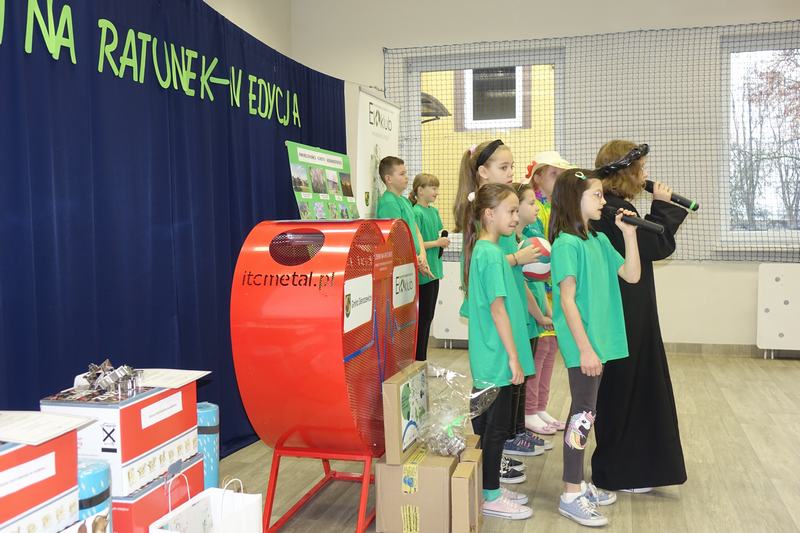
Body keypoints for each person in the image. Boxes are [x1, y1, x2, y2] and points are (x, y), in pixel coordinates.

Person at [590, 141, 689, 492]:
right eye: (641, 168)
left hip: (632, 307)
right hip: (623, 310)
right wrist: (661, 206)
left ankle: (633, 467)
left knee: (634, 384)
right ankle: (621, 470)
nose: (645, 174)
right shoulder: (613, 210)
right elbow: (656, 246)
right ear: (626, 172)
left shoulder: (612, 206)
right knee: (626, 386)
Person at [550, 168, 641, 527]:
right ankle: (570, 493)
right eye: (597, 195)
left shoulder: (598, 240)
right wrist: (585, 349)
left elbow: (632, 275)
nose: (604, 201)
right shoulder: (566, 244)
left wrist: (629, 235)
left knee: (586, 413)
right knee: (583, 416)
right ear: (575, 199)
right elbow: (567, 300)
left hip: (600, 342)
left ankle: (577, 484)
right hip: (583, 345)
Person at [453, 140, 546, 478]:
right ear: (482, 171)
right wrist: (517, 258)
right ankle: (491, 464)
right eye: (503, 167)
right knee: (492, 391)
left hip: (508, 309)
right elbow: (485, 270)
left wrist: (536, 313)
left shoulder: (500, 215)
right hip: (495, 317)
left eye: (511, 166)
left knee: (503, 391)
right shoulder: (483, 219)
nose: (510, 172)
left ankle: (498, 452)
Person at [463, 183, 534, 521]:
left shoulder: (484, 249)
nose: (516, 217)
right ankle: (490, 495)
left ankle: (487, 487)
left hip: (488, 355)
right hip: (496, 358)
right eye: (511, 211)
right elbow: (497, 309)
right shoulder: (491, 255)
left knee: (486, 427)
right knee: (494, 430)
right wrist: (513, 357)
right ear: (489, 214)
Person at [523, 152, 575, 434]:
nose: (558, 179)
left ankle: (540, 406)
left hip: (554, 289)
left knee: (552, 347)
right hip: (538, 291)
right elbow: (538, 252)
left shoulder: (558, 207)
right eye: (553, 173)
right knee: (540, 349)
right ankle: (529, 410)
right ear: (538, 177)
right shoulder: (534, 209)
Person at [410, 173, 450, 361]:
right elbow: (415, 244)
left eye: (437, 188)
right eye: (433, 188)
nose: (436, 192)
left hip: (435, 271)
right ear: (420, 190)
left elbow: (438, 234)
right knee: (423, 318)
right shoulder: (416, 212)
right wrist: (436, 243)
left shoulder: (433, 212)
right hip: (422, 273)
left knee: (429, 317)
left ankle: (422, 358)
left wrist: (442, 240)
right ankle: (418, 358)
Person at [376, 156, 432, 280]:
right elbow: (397, 238)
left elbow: (416, 230)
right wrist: (415, 258)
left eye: (405, 173)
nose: (406, 177)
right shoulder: (389, 202)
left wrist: (422, 255)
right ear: (389, 179)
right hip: (399, 267)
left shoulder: (405, 201)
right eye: (402, 174)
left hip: (412, 263)